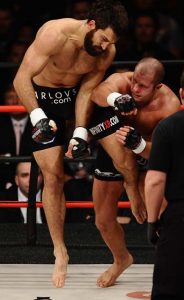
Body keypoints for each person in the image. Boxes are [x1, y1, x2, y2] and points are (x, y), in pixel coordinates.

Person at [13, 0, 128, 288]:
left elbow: (88, 89)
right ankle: (60, 251)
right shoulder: (55, 34)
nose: (104, 47)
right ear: (91, 25)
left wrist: (79, 131)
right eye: (103, 38)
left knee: (121, 155)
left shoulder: (106, 51)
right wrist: (38, 117)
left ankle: (137, 199)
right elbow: (21, 79)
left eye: (110, 42)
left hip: (78, 98)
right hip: (44, 100)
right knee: (52, 176)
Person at [88, 57, 180, 287]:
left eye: (143, 86)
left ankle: (170, 265)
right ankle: (121, 259)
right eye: (135, 82)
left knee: (162, 215)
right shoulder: (125, 81)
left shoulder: (169, 106)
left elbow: (163, 152)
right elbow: (96, 92)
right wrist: (115, 98)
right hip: (114, 149)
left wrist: (138, 144)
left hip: (147, 154)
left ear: (157, 87)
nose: (135, 89)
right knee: (103, 219)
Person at [145, 82, 184, 300]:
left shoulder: (168, 127)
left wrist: (152, 221)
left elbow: (155, 181)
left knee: (169, 289)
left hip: (180, 216)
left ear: (181, 93)